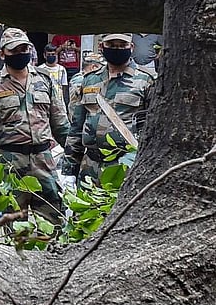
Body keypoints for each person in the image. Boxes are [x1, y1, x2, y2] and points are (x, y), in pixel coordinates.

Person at [0, 28, 70, 227]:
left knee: (54, 221)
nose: (21, 54)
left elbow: (60, 123)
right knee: (14, 226)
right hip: (11, 163)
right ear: (2, 54)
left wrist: (72, 159)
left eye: (24, 49)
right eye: (14, 50)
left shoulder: (44, 81)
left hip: (43, 160)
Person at [62, 33, 156, 188]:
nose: (117, 49)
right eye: (112, 45)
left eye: (122, 46)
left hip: (124, 166)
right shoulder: (90, 79)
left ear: (131, 47)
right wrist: (70, 169)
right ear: (101, 47)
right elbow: (77, 127)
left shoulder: (145, 80)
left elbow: (152, 130)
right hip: (90, 166)